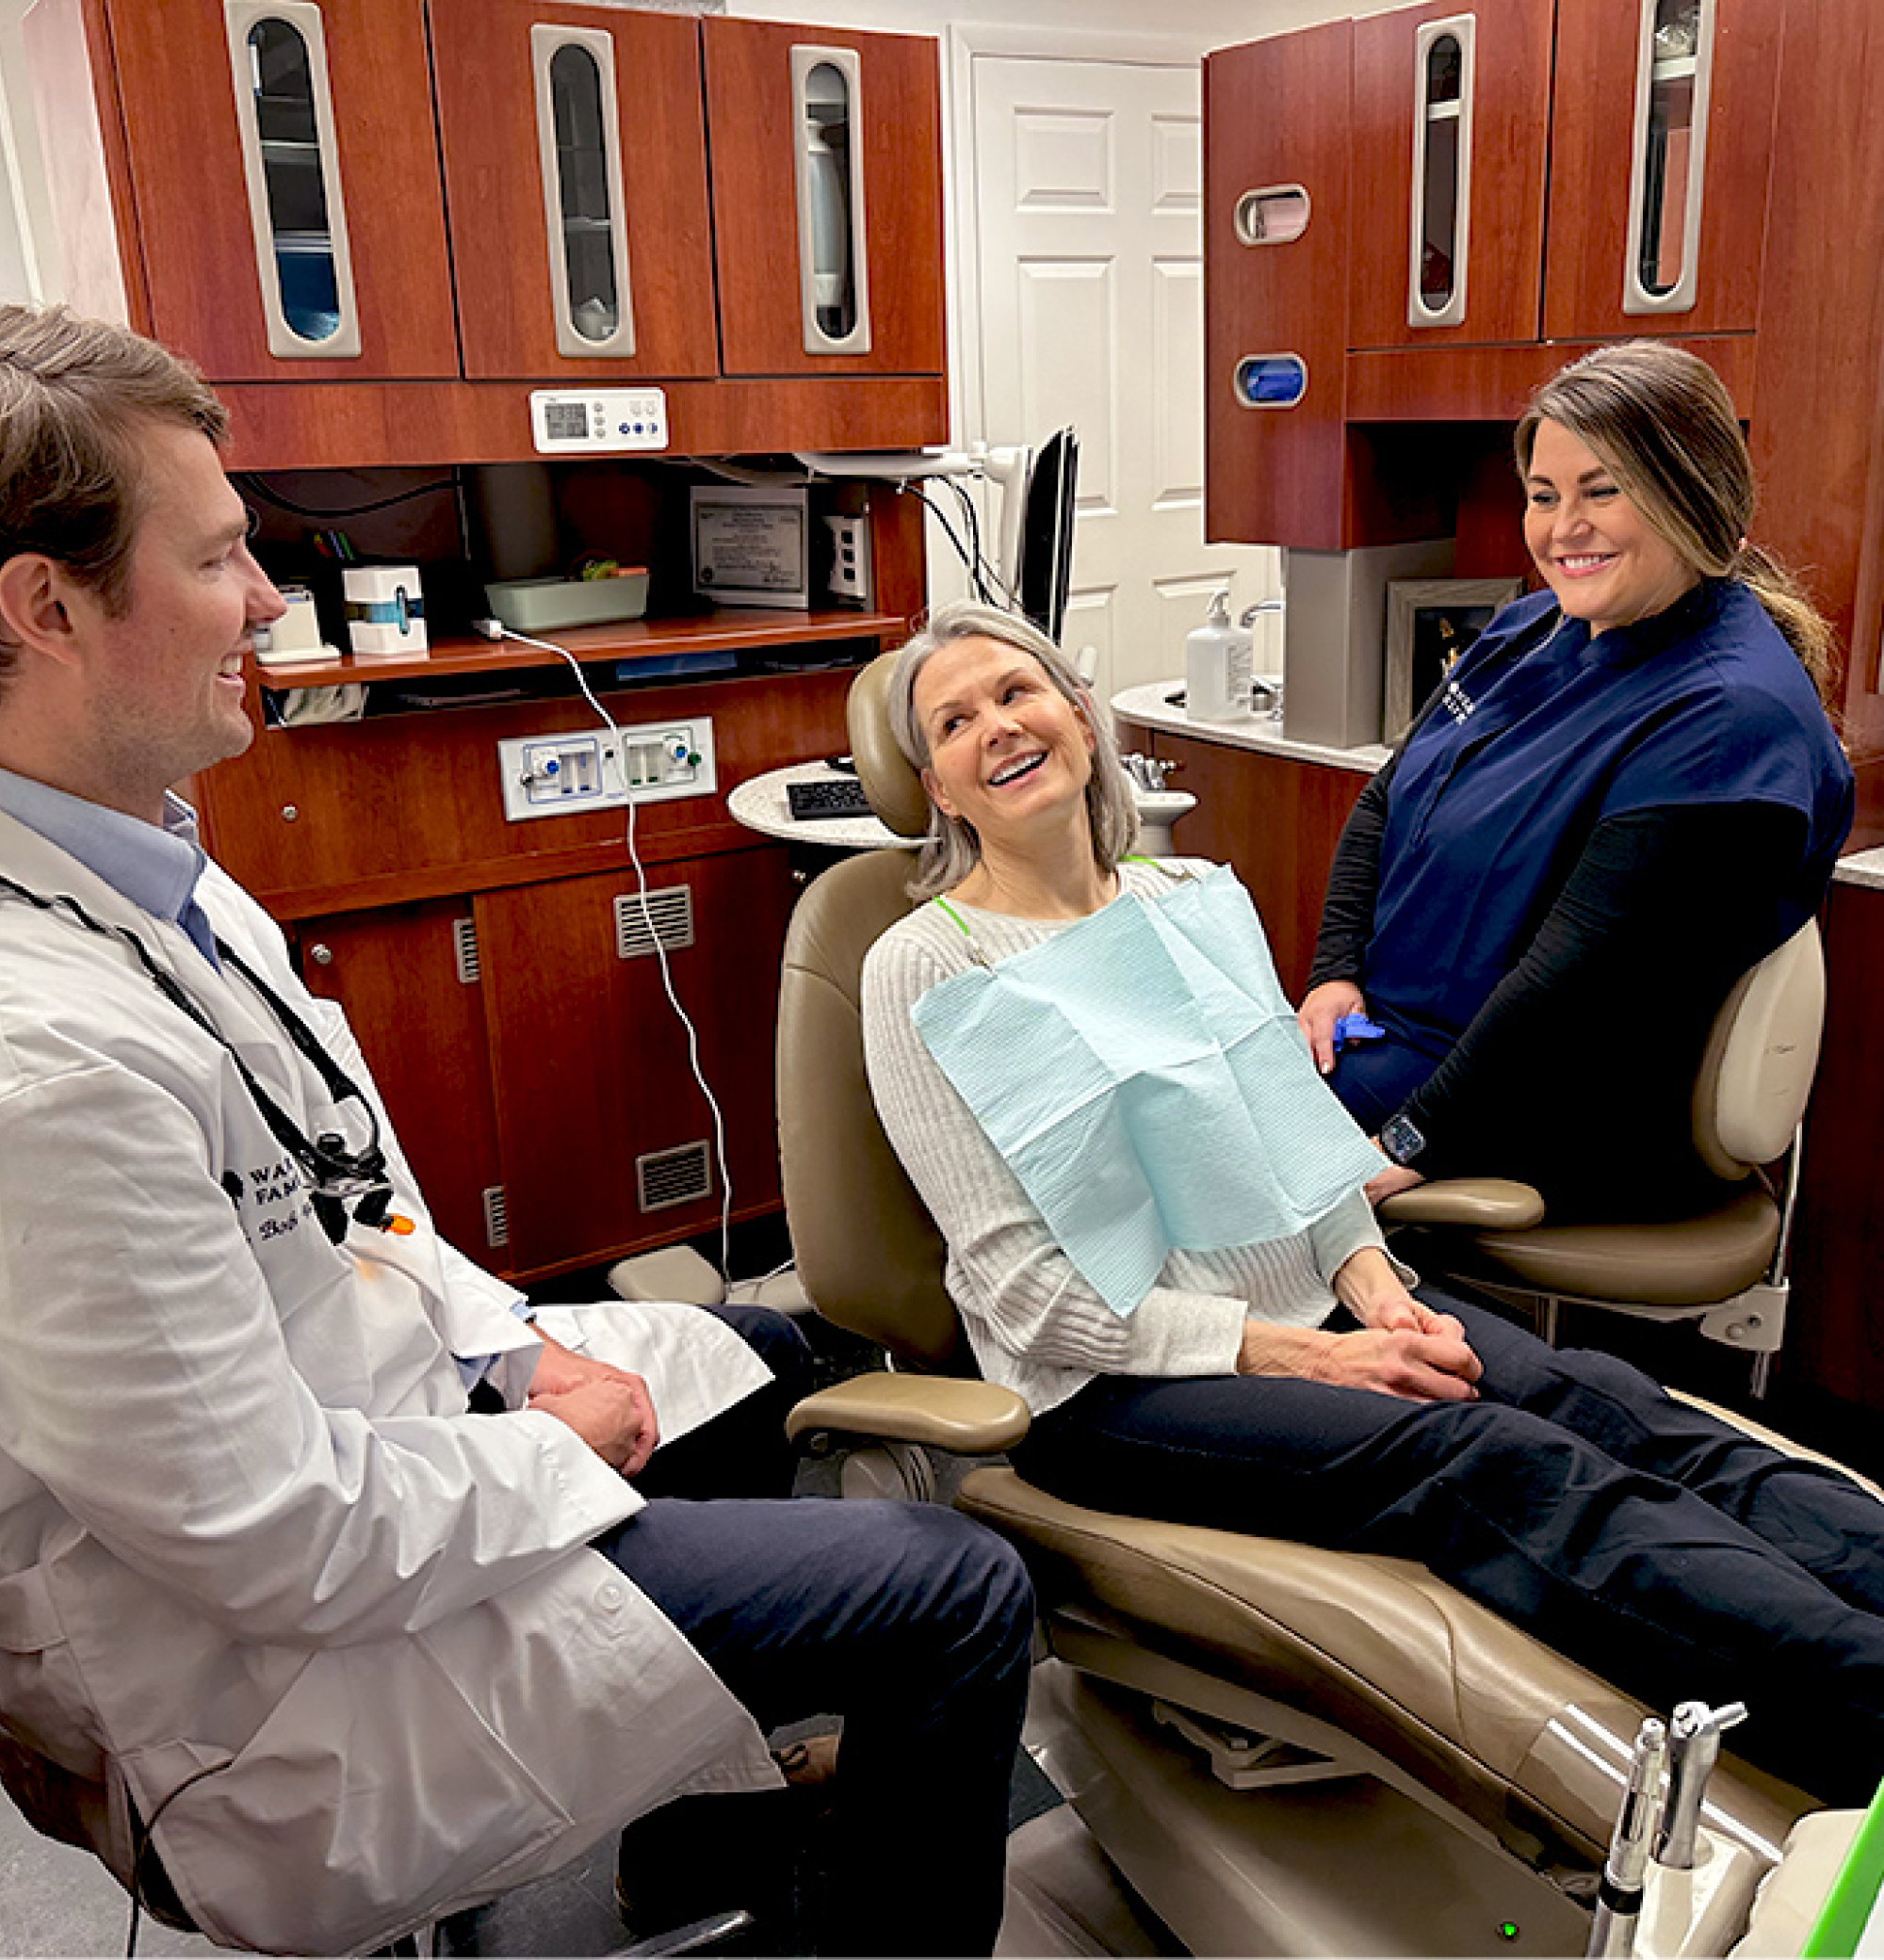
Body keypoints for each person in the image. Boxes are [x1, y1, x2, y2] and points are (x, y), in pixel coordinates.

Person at [0, 305, 1031, 1958]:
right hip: (273, 1698)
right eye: (219, 561)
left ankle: (701, 1857)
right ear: (46, 608)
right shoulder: (39, 1060)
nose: (270, 600)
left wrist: (510, 1358)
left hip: (371, 1442)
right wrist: (554, 1445)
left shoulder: (152, 863)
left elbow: (354, 1206)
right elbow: (263, 1536)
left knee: (771, 1351)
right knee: (954, 1591)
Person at [862, 596, 1884, 1809]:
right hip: (1117, 1385)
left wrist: (1374, 1290)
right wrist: (1303, 1357)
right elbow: (1025, 1295)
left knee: (1605, 1403)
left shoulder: (1187, 894)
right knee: (1495, 1461)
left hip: (1316, 1309)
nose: (998, 725)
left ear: (1080, 716)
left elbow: (1298, 1150)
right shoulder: (929, 962)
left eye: (1015, 692)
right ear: (936, 783)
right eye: (956, 720)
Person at [1298, 340, 1853, 1215]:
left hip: (1544, 1111)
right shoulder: (1529, 631)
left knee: (1176, 1172)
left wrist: (1408, 1139)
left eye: (1603, 491)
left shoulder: (1727, 723)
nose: (1564, 530)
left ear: (1692, 497)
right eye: (1543, 496)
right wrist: (1336, 974)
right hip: (1394, 1046)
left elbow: (1582, 985)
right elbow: (1386, 800)